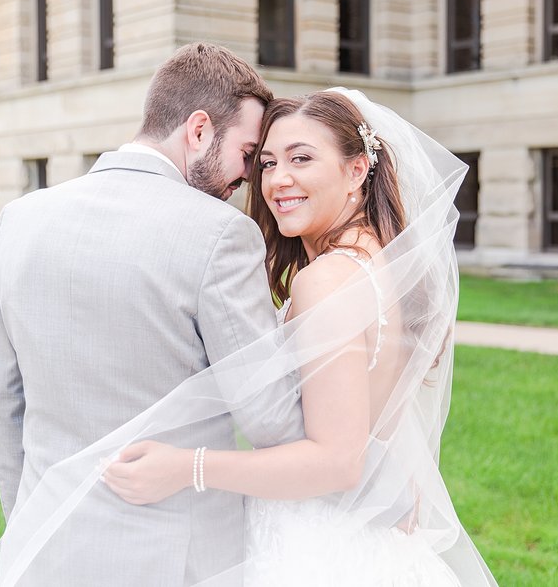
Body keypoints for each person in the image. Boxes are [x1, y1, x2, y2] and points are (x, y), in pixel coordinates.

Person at [98, 89, 498, 586]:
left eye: (301, 159)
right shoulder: (381, 263)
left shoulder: (327, 279)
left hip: (318, 547)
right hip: (364, 534)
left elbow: (335, 461)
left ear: (357, 170)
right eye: (265, 163)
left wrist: (185, 467)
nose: (277, 179)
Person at [0, 42, 304, 586]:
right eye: (248, 154)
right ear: (198, 130)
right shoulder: (221, 235)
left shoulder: (19, 220)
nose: (249, 177)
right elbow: (272, 420)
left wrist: (30, 522)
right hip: (176, 558)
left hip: (45, 547)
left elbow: (4, 403)